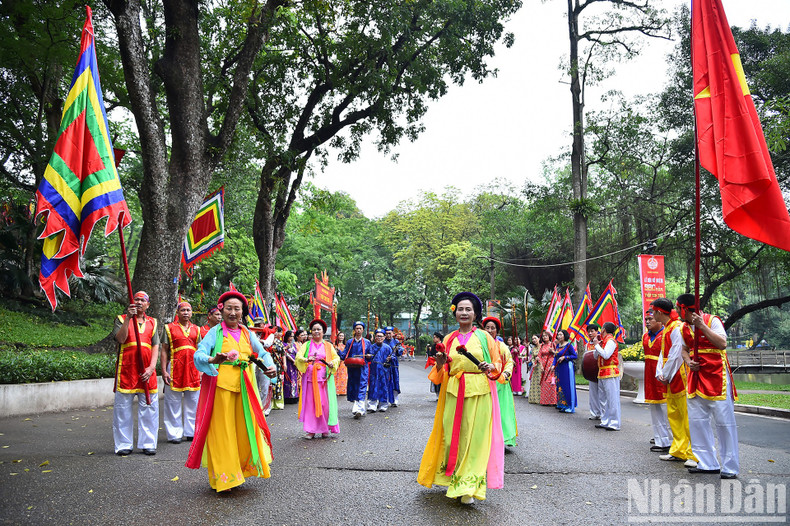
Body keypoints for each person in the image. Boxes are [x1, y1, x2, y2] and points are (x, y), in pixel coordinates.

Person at [418, 292, 504, 505]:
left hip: (479, 392)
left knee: (475, 440)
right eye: (460, 309)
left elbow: (498, 364)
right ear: (455, 312)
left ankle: (468, 487)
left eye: (468, 309)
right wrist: (440, 362)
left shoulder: (485, 337)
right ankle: (454, 479)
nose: (464, 313)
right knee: (452, 438)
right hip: (453, 392)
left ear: (475, 314)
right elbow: (442, 371)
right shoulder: (449, 339)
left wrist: (490, 366)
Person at [186, 291, 277, 492]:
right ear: (222, 310)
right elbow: (199, 354)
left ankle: (240, 471)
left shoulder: (247, 333)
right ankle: (224, 478)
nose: (233, 313)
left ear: (243, 312)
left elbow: (262, 353)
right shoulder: (215, 332)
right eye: (229, 308)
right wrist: (213, 359)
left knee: (243, 430)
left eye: (237, 309)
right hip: (221, 389)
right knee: (222, 432)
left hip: (245, 388)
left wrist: (270, 367)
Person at [676, 294, 738, 479]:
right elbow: (684, 350)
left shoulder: (712, 320)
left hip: (717, 377)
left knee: (724, 423)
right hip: (696, 377)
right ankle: (707, 463)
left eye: (678, 309)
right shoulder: (683, 327)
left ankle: (730, 467)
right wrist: (688, 362)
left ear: (684, 309)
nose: (677, 312)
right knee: (697, 421)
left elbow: (722, 344)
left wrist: (702, 326)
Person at [112, 291, 160, 456]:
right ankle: (123, 444)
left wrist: (152, 367)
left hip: (147, 371)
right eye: (136, 299)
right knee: (123, 408)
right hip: (127, 369)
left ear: (148, 305)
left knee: (149, 407)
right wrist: (128, 318)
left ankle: (148, 443)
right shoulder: (120, 319)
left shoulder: (153, 322)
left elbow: (155, 346)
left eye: (143, 300)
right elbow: (120, 339)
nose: (139, 302)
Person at [651, 298, 697, 468]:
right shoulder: (667, 328)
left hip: (680, 375)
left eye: (653, 312)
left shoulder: (676, 327)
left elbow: (677, 354)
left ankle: (693, 453)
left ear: (659, 312)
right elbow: (663, 353)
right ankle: (678, 450)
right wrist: (661, 372)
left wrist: (665, 373)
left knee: (686, 416)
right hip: (671, 375)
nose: (652, 315)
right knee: (674, 414)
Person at [161, 300, 201, 444]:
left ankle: (191, 432)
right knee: (173, 401)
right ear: (177, 312)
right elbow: (164, 350)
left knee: (193, 401)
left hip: (193, 368)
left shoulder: (197, 329)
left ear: (191, 313)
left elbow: (200, 351)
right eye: (182, 310)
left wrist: (201, 370)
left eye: (188, 310)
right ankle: (174, 433)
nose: (185, 313)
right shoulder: (169, 328)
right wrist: (163, 371)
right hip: (174, 367)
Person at [296, 319, 340, 439]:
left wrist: (332, 363)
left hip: (324, 380)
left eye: (318, 329)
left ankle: (324, 429)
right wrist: (306, 359)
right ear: (311, 331)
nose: (316, 331)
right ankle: (311, 430)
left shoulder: (328, 346)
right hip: (310, 379)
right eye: (314, 329)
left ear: (323, 332)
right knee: (311, 405)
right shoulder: (306, 345)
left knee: (324, 404)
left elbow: (336, 358)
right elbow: (298, 357)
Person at [482, 317, 517, 447]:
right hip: (483, 382)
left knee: (502, 412)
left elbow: (509, 361)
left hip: (500, 383)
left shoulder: (501, 346)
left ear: (497, 330)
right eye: (487, 328)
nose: (490, 330)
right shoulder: (480, 345)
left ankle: (502, 439)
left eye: (493, 328)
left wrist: (506, 374)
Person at [641, 309, 672, 452]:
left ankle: (671, 440)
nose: (647, 322)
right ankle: (660, 439)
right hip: (649, 375)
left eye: (650, 319)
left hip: (662, 374)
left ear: (658, 320)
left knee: (666, 408)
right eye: (646, 319)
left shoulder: (666, 335)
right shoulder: (645, 337)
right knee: (654, 407)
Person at [338, 321, 372, 418]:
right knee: (354, 386)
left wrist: (369, 356)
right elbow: (345, 355)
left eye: (360, 328)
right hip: (352, 368)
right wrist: (338, 352)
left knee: (362, 386)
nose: (358, 330)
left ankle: (359, 409)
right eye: (357, 328)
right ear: (354, 330)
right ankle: (359, 408)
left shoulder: (367, 342)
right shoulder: (350, 342)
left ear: (363, 330)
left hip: (363, 368)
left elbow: (371, 355)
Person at [593, 322, 621, 431]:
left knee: (612, 399)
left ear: (604, 329)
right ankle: (605, 421)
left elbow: (606, 355)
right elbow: (596, 356)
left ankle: (614, 423)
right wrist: (597, 345)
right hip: (602, 372)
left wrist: (597, 345)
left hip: (610, 372)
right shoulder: (603, 341)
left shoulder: (610, 341)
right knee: (603, 399)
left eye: (601, 329)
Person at [367, 329, 395, 413]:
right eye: (377, 336)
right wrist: (368, 357)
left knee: (383, 386)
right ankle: (372, 405)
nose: (379, 338)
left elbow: (393, 357)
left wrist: (391, 358)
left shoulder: (387, 347)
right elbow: (368, 358)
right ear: (375, 337)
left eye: (381, 336)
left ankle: (383, 404)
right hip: (374, 370)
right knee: (373, 387)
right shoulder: (371, 347)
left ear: (384, 337)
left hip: (384, 371)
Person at [553, 329, 577, 413]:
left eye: (561, 335)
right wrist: (553, 365)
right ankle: (562, 404)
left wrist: (565, 357)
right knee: (559, 385)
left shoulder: (568, 345)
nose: (559, 336)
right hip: (558, 368)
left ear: (565, 336)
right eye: (558, 335)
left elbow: (575, 356)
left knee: (567, 386)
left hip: (566, 367)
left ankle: (569, 405)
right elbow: (555, 356)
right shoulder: (558, 345)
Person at [585, 324, 604, 421]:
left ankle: (603, 413)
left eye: (592, 331)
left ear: (597, 331)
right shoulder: (587, 345)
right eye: (589, 331)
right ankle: (594, 413)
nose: (590, 333)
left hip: (602, 370)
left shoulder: (602, 342)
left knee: (602, 393)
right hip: (591, 371)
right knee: (593, 393)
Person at [283, 329, 304, 404]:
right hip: (288, 363)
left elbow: (296, 353)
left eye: (292, 336)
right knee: (288, 379)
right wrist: (292, 360)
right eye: (290, 336)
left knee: (294, 379)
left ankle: (294, 396)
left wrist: (297, 361)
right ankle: (287, 397)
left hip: (294, 364)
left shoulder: (294, 345)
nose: (291, 338)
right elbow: (285, 354)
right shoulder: (284, 344)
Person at [538, 330, 557, 406]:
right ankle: (545, 401)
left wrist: (553, 351)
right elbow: (539, 356)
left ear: (549, 336)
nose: (544, 337)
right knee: (544, 382)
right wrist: (541, 366)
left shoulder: (553, 344)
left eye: (546, 335)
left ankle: (553, 401)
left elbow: (557, 354)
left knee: (551, 381)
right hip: (543, 365)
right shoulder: (542, 345)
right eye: (543, 336)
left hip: (551, 364)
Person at [269, 326, 286, 411]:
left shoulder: (279, 342)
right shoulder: (268, 341)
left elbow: (283, 353)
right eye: (274, 331)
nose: (275, 333)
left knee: (278, 382)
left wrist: (285, 364)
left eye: (276, 331)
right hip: (269, 364)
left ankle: (278, 403)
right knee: (270, 382)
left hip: (278, 365)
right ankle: (270, 403)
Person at [384, 327, 402, 406]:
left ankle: (395, 399)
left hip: (394, 364)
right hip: (385, 364)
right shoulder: (383, 341)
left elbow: (400, 351)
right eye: (386, 333)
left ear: (392, 334)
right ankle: (385, 399)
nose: (388, 335)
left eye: (389, 333)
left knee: (395, 380)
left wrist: (397, 350)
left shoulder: (396, 341)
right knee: (385, 381)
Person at [426, 332, 444, 399]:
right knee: (435, 379)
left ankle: (441, 393)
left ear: (438, 338)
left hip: (442, 365)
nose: (433, 339)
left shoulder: (443, 345)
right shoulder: (434, 346)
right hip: (435, 365)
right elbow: (431, 354)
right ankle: (437, 393)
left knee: (442, 379)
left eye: (434, 337)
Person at [527, 334, 542, 404]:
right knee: (535, 382)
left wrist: (540, 360)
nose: (534, 340)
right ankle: (534, 399)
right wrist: (533, 362)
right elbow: (532, 357)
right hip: (535, 366)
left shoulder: (542, 346)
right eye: (532, 339)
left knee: (540, 381)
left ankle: (541, 399)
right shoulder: (533, 348)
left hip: (541, 366)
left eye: (535, 338)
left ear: (539, 338)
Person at [334, 331, 348, 396]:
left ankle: (342, 390)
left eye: (342, 336)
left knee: (342, 376)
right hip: (336, 362)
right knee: (336, 375)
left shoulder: (346, 346)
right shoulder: (334, 345)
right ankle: (335, 390)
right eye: (340, 336)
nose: (341, 337)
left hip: (343, 363)